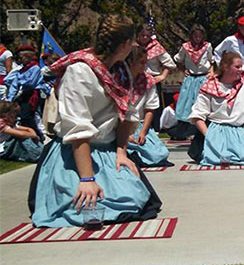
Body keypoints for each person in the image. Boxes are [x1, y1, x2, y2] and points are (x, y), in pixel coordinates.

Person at [28, 15, 161, 228]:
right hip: (75, 152)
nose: (136, 45)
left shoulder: (121, 71)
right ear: (126, 44)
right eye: (134, 41)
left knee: (135, 201)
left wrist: (121, 152)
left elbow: (127, 115)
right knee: (84, 206)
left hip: (108, 150)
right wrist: (87, 180)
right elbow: (77, 128)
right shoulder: (79, 71)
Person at [188, 52, 244, 166]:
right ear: (225, 67)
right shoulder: (209, 86)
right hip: (215, 130)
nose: (241, 69)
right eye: (237, 67)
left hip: (241, 129)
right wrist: (209, 136)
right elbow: (197, 115)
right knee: (208, 156)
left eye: (241, 66)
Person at [125, 47, 174, 168]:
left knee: (160, 154)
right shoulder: (119, 79)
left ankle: (135, 154)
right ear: (131, 62)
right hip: (121, 125)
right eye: (142, 62)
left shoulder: (148, 81)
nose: (145, 65)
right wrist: (124, 133)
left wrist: (143, 132)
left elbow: (150, 109)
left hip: (140, 124)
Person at [172, 24, 213, 138]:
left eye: (200, 36)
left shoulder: (207, 46)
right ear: (191, 36)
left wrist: (211, 72)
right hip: (191, 79)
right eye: (195, 35)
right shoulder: (185, 47)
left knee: (203, 104)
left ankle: (203, 129)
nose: (198, 38)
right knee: (188, 105)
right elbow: (177, 60)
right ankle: (189, 131)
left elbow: (212, 60)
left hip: (203, 77)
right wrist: (183, 69)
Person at [4, 45, 48, 141]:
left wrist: (20, 80)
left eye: (21, 57)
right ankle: (25, 138)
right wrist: (10, 99)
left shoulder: (35, 68)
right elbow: (14, 84)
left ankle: (38, 136)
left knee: (28, 116)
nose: (19, 60)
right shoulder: (22, 69)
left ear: (28, 57)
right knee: (20, 115)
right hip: (25, 94)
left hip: (33, 94)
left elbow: (31, 83)